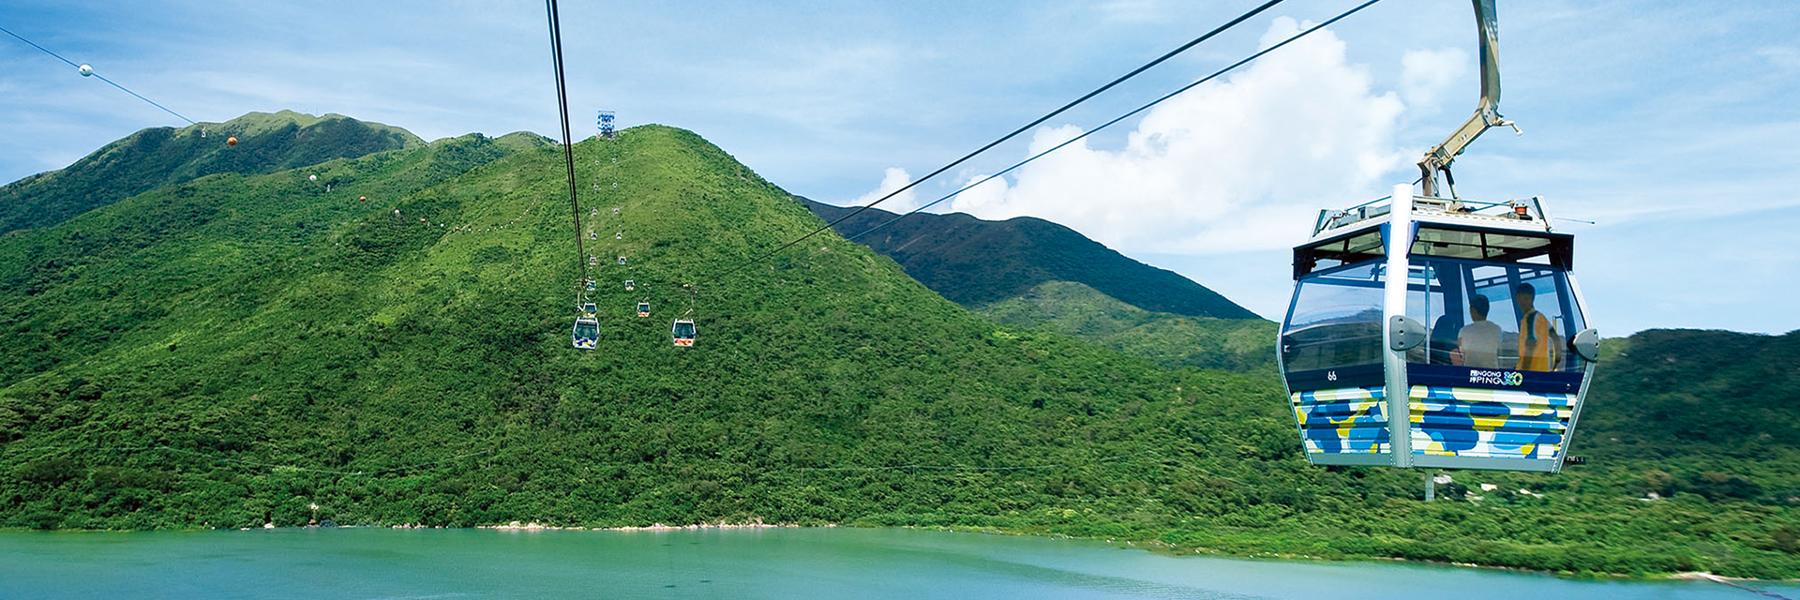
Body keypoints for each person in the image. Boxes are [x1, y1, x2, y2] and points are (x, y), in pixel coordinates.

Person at [1514, 283, 1561, 371]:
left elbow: (1530, 344)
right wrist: (1556, 362)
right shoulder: (1541, 317)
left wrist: (1524, 371)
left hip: (1530, 372)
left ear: (1532, 299)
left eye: (1526, 299)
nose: (1522, 302)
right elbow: (1555, 338)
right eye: (1521, 299)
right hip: (1543, 370)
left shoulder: (1530, 318)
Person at [1454, 295, 1502, 368]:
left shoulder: (1463, 331)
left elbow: (1461, 352)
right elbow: (1499, 351)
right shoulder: (1497, 329)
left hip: (1469, 375)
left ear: (1473, 310)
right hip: (1491, 375)